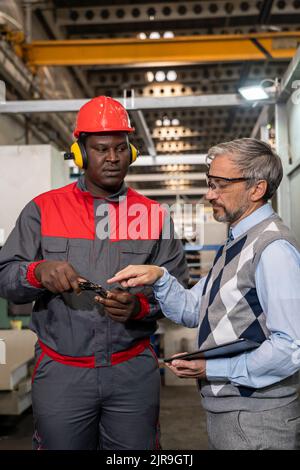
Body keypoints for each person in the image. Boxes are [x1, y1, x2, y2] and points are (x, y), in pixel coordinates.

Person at [0, 96, 188, 450]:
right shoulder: (43, 209)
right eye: (101, 149)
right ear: (81, 152)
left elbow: (177, 291)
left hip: (131, 372)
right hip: (62, 373)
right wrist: (37, 272)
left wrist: (140, 309)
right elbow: (5, 275)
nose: (113, 158)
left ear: (131, 152)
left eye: (120, 148)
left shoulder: (153, 216)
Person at [106, 138, 300, 450]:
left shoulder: (273, 249)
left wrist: (213, 369)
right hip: (233, 413)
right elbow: (194, 308)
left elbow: (291, 348)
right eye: (209, 183)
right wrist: (160, 277)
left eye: (221, 184)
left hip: (258, 419)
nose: (209, 194)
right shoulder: (237, 242)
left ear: (257, 189)